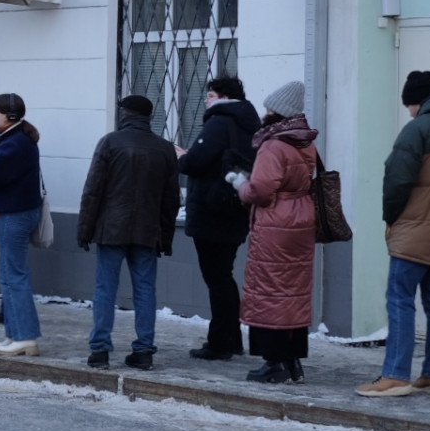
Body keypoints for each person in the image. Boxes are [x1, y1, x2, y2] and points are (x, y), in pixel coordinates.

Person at [357, 71, 430, 397]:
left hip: (414, 229)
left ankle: (395, 375)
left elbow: (397, 180)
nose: (409, 111)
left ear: (416, 100)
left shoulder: (417, 129)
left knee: (400, 300)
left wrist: (390, 218)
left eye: (409, 104)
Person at [77, 94, 180, 371]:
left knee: (105, 289)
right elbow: (171, 199)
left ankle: (100, 350)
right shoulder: (164, 149)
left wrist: (85, 229)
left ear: (126, 114)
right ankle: (144, 350)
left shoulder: (110, 142)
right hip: (148, 231)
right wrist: (166, 238)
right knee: (145, 290)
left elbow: (93, 190)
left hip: (111, 229)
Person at [228, 81, 317, 384]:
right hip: (302, 221)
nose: (265, 112)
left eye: (268, 107)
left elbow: (262, 191)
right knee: (291, 292)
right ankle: (293, 361)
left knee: (270, 290)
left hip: (276, 224)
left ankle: (273, 362)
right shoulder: (304, 142)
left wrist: (240, 185)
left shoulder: (273, 144)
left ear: (276, 112)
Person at [177, 76, 259, 360]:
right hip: (236, 208)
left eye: (210, 94)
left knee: (217, 278)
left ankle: (222, 341)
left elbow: (196, 161)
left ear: (223, 97)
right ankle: (231, 339)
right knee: (224, 275)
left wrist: (182, 156)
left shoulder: (220, 121)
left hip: (212, 210)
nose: (207, 100)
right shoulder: (249, 123)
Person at [0, 93, 45, 355]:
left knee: (14, 276)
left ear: (10, 115)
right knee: (7, 276)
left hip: (14, 215)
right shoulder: (13, 139)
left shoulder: (15, 143)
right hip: (11, 213)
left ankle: (25, 336)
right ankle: (15, 334)